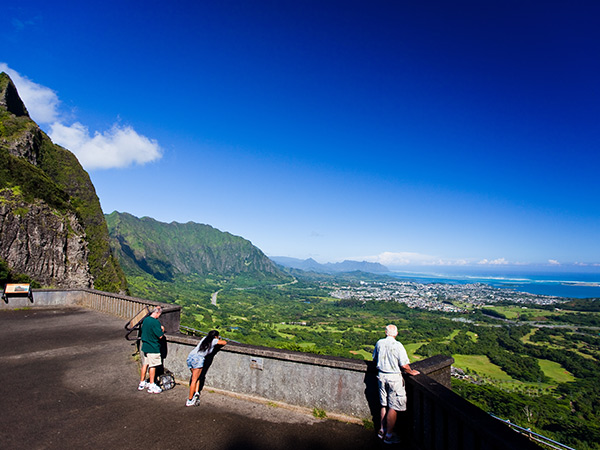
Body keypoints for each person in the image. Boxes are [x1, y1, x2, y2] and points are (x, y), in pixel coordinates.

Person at [372, 324, 420, 445]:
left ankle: (382, 430)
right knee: (393, 406)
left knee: (383, 404)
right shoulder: (398, 346)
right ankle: (389, 435)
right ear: (396, 333)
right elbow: (404, 365)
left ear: (385, 332)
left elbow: (374, 359)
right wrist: (411, 372)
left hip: (381, 376)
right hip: (394, 377)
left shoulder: (379, 343)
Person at [186, 330, 227, 406]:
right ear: (216, 336)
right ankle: (190, 400)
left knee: (198, 377)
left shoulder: (204, 338)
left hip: (190, 357)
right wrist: (218, 339)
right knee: (194, 380)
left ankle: (196, 392)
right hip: (198, 359)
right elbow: (224, 342)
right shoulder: (214, 340)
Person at [138, 306, 165, 394]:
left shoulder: (146, 320)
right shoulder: (155, 322)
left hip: (145, 346)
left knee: (145, 364)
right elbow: (160, 336)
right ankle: (151, 384)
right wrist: (162, 330)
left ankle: (142, 383)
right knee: (153, 366)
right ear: (157, 313)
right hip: (153, 347)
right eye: (159, 314)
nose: (159, 316)